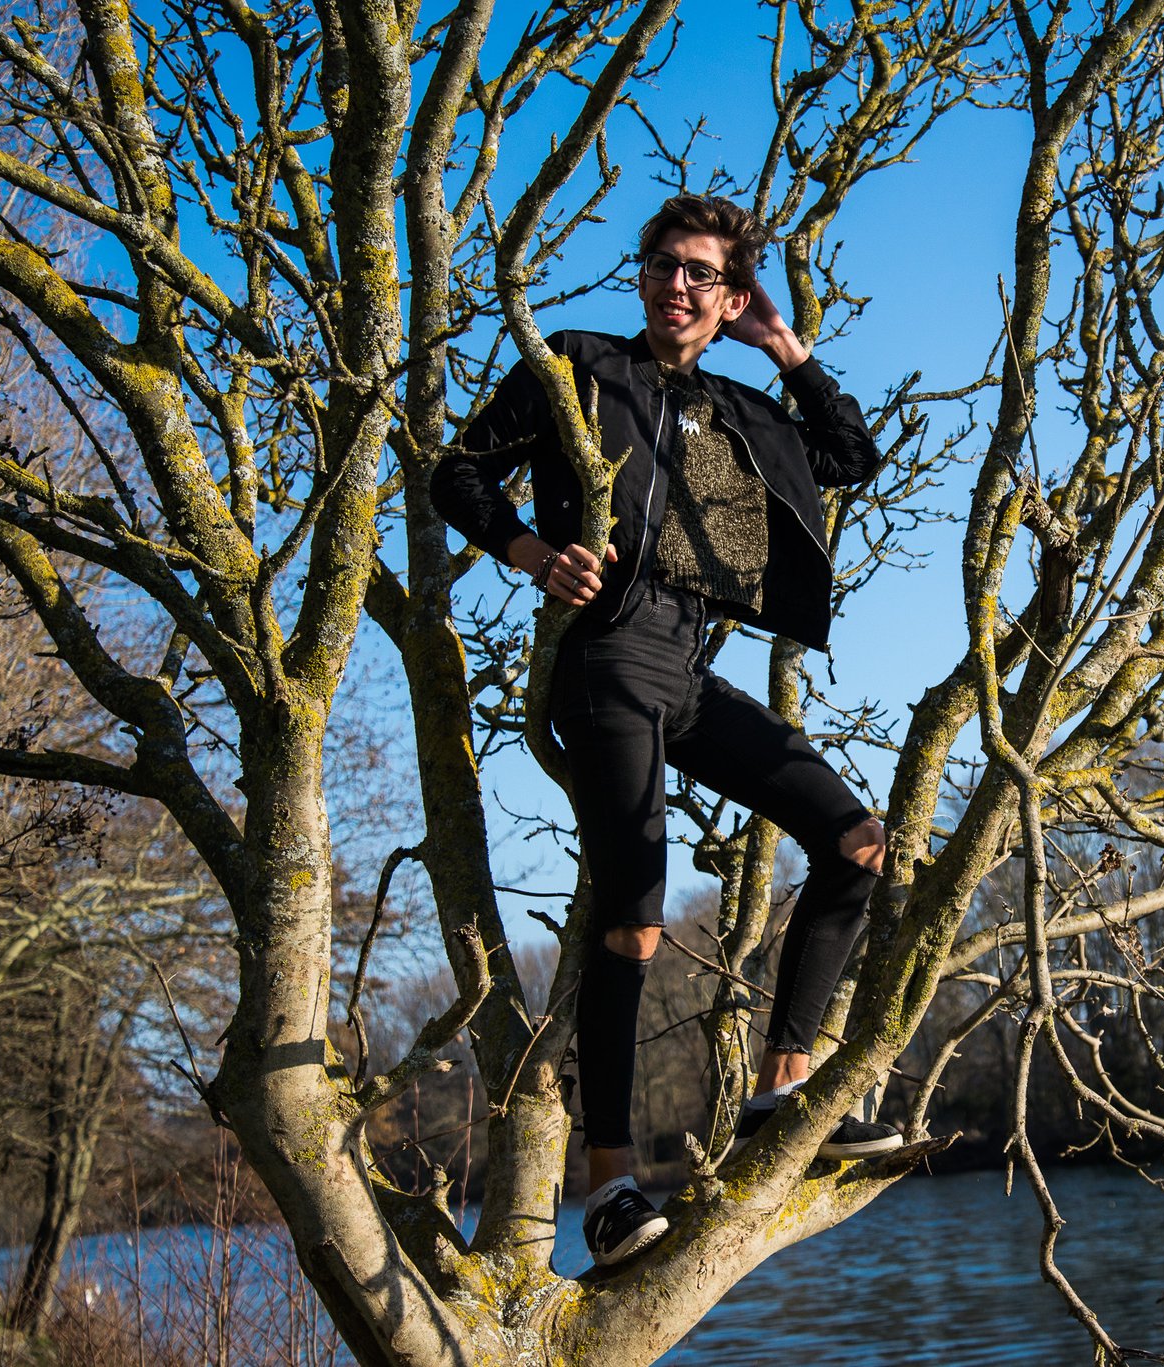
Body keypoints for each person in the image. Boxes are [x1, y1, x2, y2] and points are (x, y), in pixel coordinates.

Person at [431, 195, 900, 1270]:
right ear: (640, 275)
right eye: (661, 264)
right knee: (634, 923)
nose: (675, 285)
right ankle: (609, 1188)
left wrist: (785, 349)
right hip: (604, 660)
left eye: (701, 274)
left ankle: (779, 1090)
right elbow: (457, 470)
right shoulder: (578, 364)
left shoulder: (743, 412)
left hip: (689, 671)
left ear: (732, 298)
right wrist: (532, 553)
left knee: (856, 843)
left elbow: (850, 454)